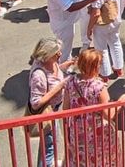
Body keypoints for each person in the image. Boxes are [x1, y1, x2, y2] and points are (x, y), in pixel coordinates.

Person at [63, 48, 119, 167]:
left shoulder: (70, 82)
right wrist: (118, 104)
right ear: (95, 66)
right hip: (96, 130)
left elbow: (65, 109)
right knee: (99, 158)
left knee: (81, 158)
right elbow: (108, 114)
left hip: (77, 129)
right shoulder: (99, 87)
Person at [28, 38, 74, 167]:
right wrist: (60, 86)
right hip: (46, 114)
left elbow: (54, 71)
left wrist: (64, 66)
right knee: (49, 145)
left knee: (50, 143)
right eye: (56, 53)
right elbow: (36, 103)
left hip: (54, 111)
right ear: (47, 55)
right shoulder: (38, 75)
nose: (59, 54)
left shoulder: (51, 63)